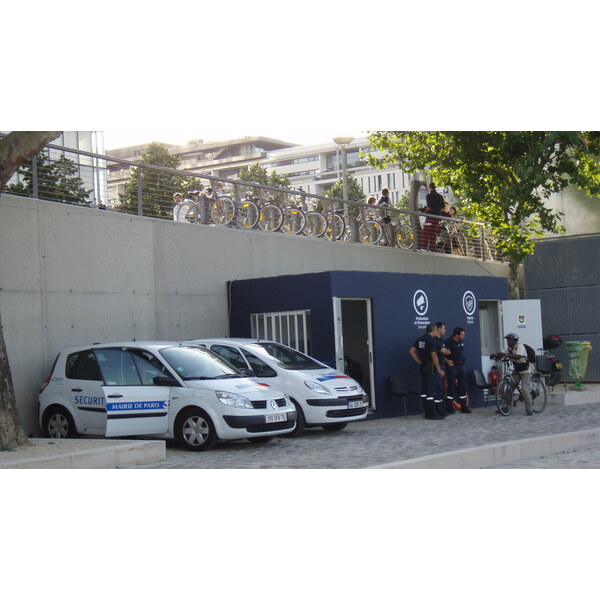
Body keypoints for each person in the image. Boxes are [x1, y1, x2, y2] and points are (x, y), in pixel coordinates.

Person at [409, 323, 446, 420]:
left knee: (424, 391)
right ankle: (431, 413)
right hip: (431, 368)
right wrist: (439, 369)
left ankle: (427, 413)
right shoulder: (431, 340)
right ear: (434, 330)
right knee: (431, 391)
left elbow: (411, 351)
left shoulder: (420, 339)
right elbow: (434, 356)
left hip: (423, 367)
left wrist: (418, 361)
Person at [491, 333, 534, 415]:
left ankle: (529, 409)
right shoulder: (509, 349)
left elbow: (517, 356)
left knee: (524, 388)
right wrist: (495, 355)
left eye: (509, 340)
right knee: (510, 387)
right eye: (507, 340)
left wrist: (506, 354)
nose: (507, 341)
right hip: (517, 370)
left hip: (526, 370)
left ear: (514, 341)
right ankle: (505, 407)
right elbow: (502, 354)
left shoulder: (520, 346)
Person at [444, 327, 472, 413]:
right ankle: (449, 407)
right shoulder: (448, 342)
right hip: (453, 367)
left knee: (463, 386)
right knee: (451, 386)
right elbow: (441, 354)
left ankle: (464, 407)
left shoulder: (460, 341)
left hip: (461, 366)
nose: (464, 336)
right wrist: (447, 361)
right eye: (462, 334)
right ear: (456, 335)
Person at [419, 182, 445, 251]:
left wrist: (424, 211)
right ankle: (432, 248)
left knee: (426, 232)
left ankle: (423, 247)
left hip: (430, 217)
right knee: (434, 234)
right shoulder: (440, 196)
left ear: (429, 188)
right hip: (437, 218)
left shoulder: (429, 196)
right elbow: (443, 207)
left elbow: (429, 207)